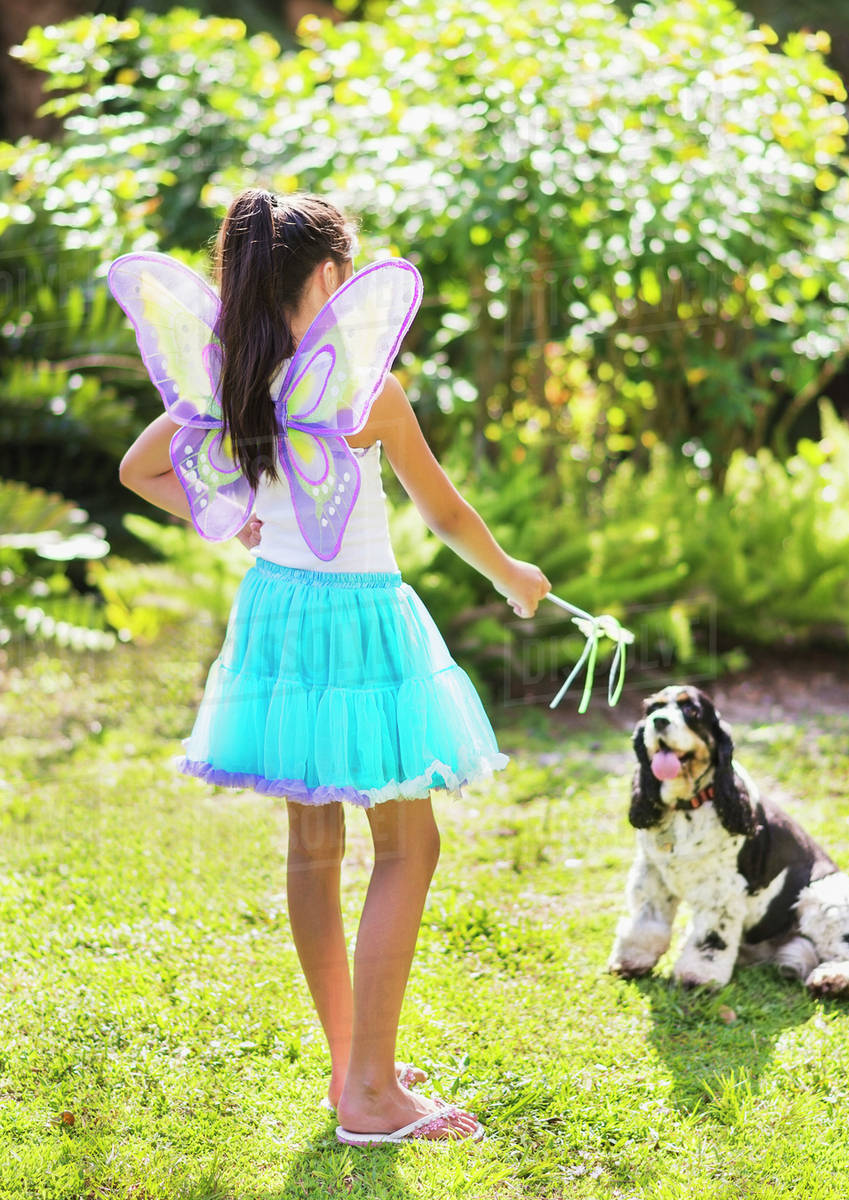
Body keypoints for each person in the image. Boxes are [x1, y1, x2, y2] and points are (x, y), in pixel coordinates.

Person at [117, 189, 551, 1146]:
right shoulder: (359, 388)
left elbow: (140, 469)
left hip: (276, 620)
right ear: (324, 275)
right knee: (408, 847)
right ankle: (370, 1096)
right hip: (359, 624)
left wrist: (227, 523)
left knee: (313, 853)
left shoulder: (228, 380)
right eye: (344, 266)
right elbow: (441, 510)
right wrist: (515, 576)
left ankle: (353, 1067)